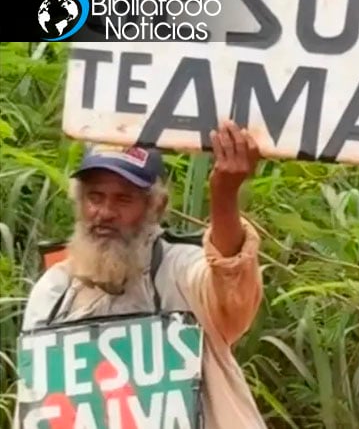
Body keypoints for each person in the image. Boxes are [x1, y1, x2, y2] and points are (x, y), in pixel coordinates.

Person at [16, 121, 266, 429]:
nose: (105, 212)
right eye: (95, 197)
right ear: (80, 202)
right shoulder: (54, 292)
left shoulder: (180, 271)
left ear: (156, 207)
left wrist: (224, 196)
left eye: (123, 199)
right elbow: (37, 407)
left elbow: (230, 283)